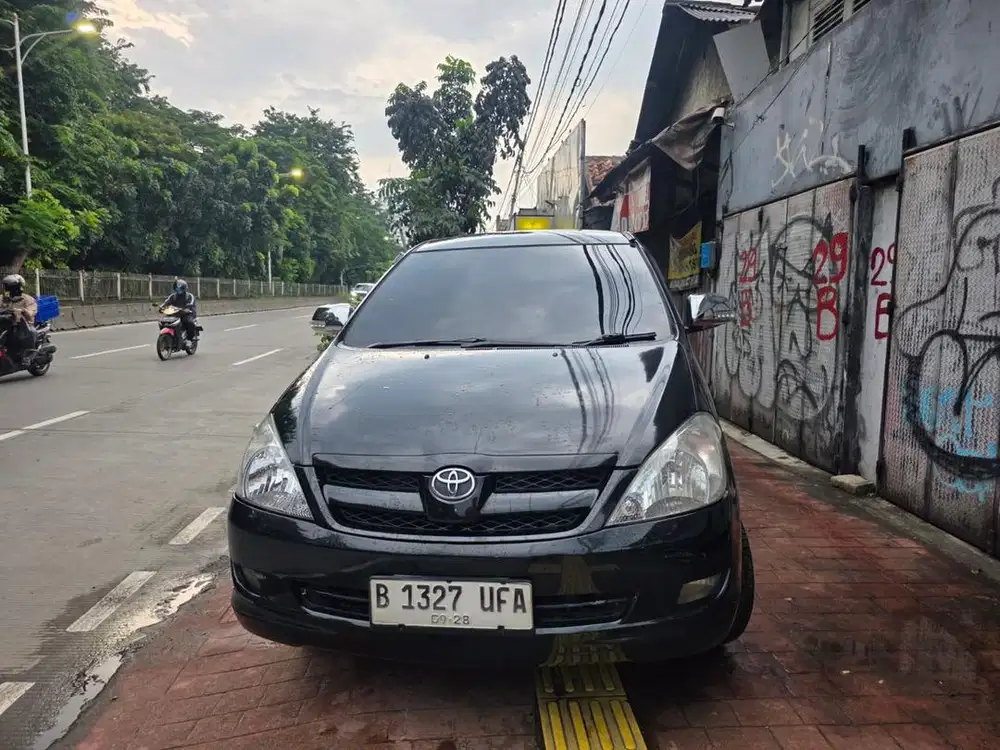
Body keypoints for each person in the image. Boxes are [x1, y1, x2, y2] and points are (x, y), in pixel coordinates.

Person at [1, 273, 37, 367]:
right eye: (7, 287)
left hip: (23, 326)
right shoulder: (3, 299)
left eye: (11, 287)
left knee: (29, 332)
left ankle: (29, 355)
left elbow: (31, 312)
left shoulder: (27, 299)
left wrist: (23, 311)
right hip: (6, 324)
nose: (8, 289)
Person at [159, 278, 199, 347]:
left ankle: (189, 339)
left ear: (184, 288)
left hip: (187, 313)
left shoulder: (189, 296)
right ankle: (168, 338)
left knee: (189, 322)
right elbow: (166, 302)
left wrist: (187, 307)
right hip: (174, 314)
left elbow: (191, 303)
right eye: (177, 288)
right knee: (163, 321)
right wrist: (161, 307)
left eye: (180, 288)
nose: (178, 290)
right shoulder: (173, 296)